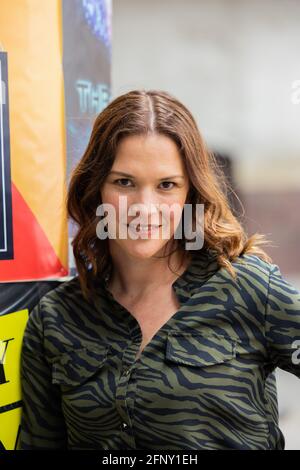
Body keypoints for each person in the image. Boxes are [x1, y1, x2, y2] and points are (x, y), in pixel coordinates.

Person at [19, 89, 300, 450]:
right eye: (124, 182)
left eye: (166, 185)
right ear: (96, 188)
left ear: (190, 194)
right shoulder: (57, 318)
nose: (144, 207)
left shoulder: (247, 288)